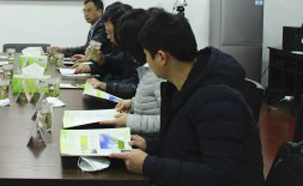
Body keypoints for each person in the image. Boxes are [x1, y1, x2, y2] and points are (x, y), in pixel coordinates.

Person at [111, 10, 265, 186]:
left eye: (146, 55)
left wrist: (148, 165)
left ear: (161, 57)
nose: (145, 61)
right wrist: (149, 144)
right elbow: (186, 143)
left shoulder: (218, 100)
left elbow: (221, 176)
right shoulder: (181, 85)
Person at [91, 8, 163, 135]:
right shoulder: (147, 68)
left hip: (144, 137)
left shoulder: (158, 72)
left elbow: (170, 120)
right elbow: (150, 99)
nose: (108, 38)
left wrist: (130, 120)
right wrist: (133, 103)